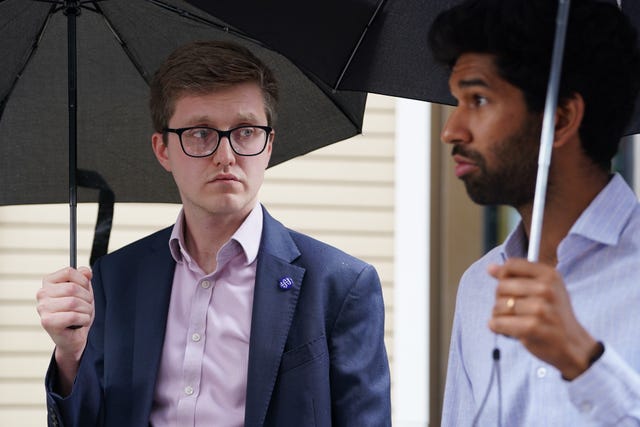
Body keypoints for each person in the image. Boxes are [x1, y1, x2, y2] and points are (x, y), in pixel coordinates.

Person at [36, 40, 391, 427]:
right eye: (201, 133)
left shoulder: (339, 286)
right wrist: (70, 355)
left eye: (246, 131)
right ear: (163, 149)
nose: (226, 156)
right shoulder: (114, 278)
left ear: (269, 144)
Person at [428, 0, 640, 425]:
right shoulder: (480, 287)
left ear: (561, 120)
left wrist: (583, 359)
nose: (451, 130)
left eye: (479, 99)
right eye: (458, 100)